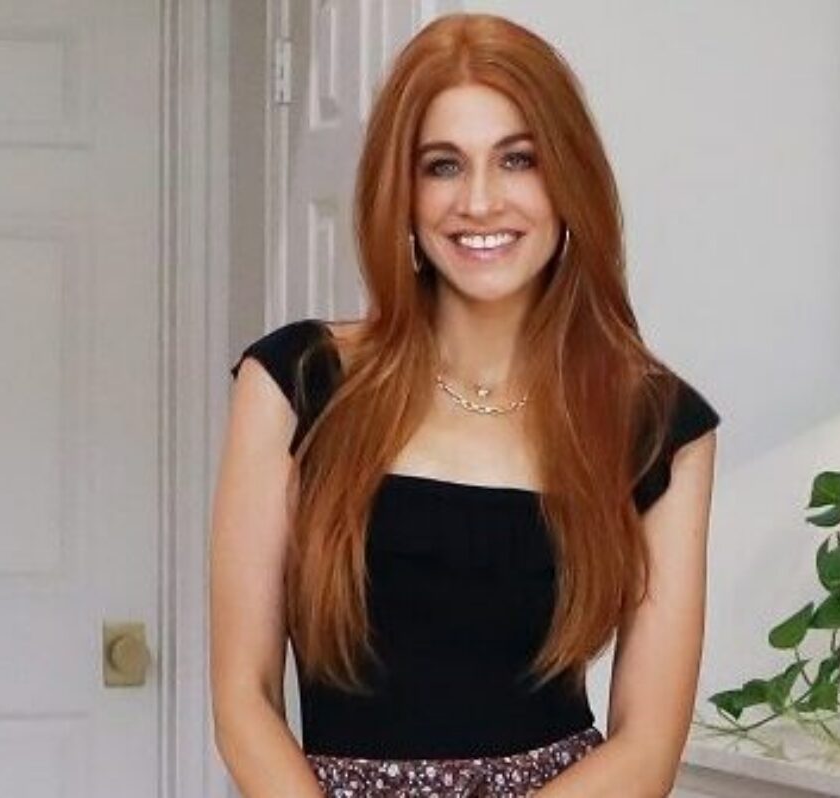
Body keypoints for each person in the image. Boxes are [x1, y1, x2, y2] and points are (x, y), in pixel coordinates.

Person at [210, 12, 719, 797]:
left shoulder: (658, 425)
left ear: (569, 178)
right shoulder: (295, 383)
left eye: (518, 159)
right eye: (443, 166)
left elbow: (646, 750)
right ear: (403, 194)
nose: (479, 201)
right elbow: (243, 700)